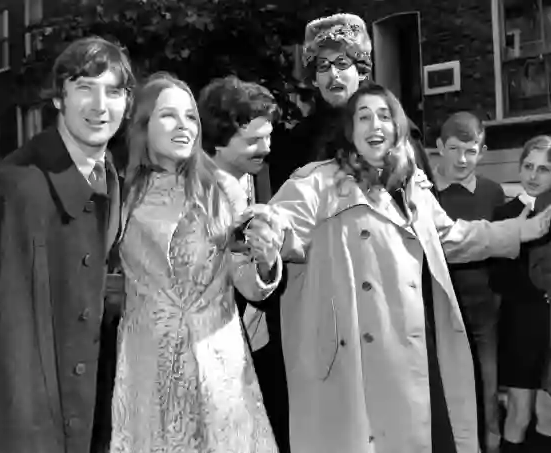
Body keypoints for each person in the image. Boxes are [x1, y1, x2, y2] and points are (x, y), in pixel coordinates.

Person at [243, 83, 551, 453]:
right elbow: (282, 224)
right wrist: (266, 236)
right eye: (364, 116)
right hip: (356, 359)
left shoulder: (412, 186)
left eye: (385, 116)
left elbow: (452, 238)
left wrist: (524, 229)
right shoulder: (318, 182)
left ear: (397, 128)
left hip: (415, 347)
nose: (376, 124)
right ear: (349, 130)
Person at [0, 36, 134, 453]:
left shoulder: (109, 179)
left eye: (113, 91)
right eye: (85, 88)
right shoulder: (13, 188)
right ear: (59, 99)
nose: (100, 106)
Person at [109, 72, 283, 453]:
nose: (184, 125)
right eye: (169, 115)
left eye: (190, 116)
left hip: (217, 365)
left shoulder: (222, 189)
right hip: (146, 366)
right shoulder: (121, 194)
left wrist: (268, 261)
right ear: (143, 125)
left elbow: (251, 284)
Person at [197, 75, 290, 452]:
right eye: (253, 140)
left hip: (257, 342)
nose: (265, 148)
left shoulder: (256, 175)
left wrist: (268, 262)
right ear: (220, 135)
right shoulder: (198, 189)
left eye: (268, 137)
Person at [434, 111, 506, 452]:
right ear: (439, 148)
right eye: (453, 149)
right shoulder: (424, 195)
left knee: (488, 391)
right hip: (439, 314)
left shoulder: (493, 193)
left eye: (471, 150)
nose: (462, 159)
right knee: (448, 395)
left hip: (484, 313)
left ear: (483, 151)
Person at [490, 135, 551, 453]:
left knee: (548, 416)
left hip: (548, 327)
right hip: (520, 325)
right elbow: (498, 280)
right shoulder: (504, 213)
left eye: (544, 169)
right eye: (528, 166)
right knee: (518, 413)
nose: (534, 175)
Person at [269, 13, 372, 192]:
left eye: (342, 63)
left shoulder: (389, 128)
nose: (333, 74)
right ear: (315, 79)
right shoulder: (299, 140)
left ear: (361, 71)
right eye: (323, 66)